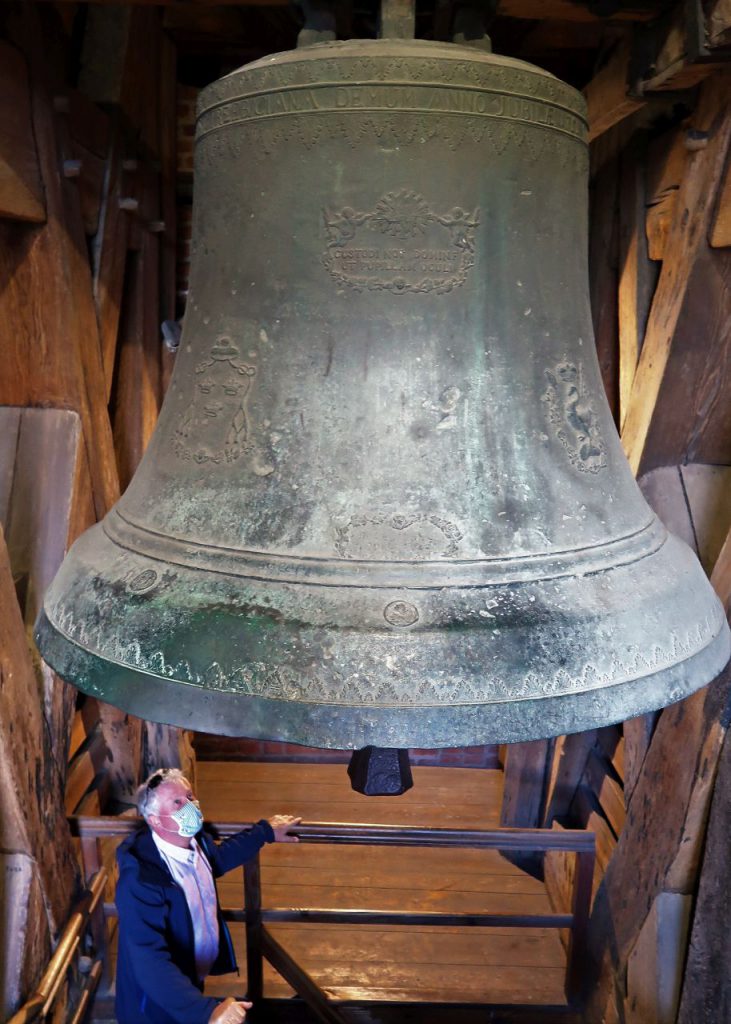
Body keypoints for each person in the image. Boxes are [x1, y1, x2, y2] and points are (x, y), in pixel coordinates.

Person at [115, 767, 301, 1024]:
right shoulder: (140, 880)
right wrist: (207, 1012)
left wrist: (265, 832)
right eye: (178, 802)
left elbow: (216, 860)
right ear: (155, 820)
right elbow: (149, 959)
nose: (189, 805)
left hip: (189, 976)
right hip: (152, 1002)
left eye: (190, 797)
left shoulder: (194, 841)